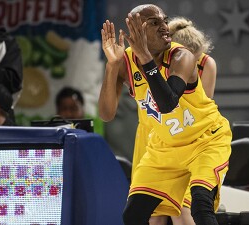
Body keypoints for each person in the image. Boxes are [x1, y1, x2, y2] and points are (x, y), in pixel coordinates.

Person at [99, 4, 232, 225]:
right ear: (136, 32)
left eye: (164, 20)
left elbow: (168, 103)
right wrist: (112, 66)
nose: (164, 27)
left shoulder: (182, 56)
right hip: (166, 146)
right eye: (154, 23)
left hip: (205, 141)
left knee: (199, 207)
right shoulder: (127, 62)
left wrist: (145, 58)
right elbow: (106, 114)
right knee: (133, 215)